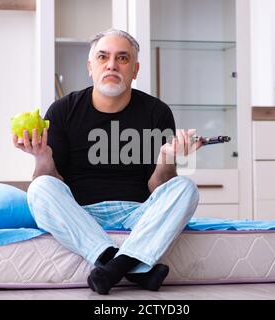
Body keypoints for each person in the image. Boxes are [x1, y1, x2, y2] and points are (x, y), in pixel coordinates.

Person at [13, 29, 203, 295]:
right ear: (91, 67)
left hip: (138, 214)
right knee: (39, 187)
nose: (112, 64)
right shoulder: (63, 110)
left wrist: (166, 160)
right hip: (81, 213)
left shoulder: (156, 112)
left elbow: (159, 189)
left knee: (185, 188)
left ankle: (112, 267)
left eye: (122, 58)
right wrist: (42, 157)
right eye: (103, 57)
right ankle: (129, 266)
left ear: (134, 70)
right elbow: (52, 182)